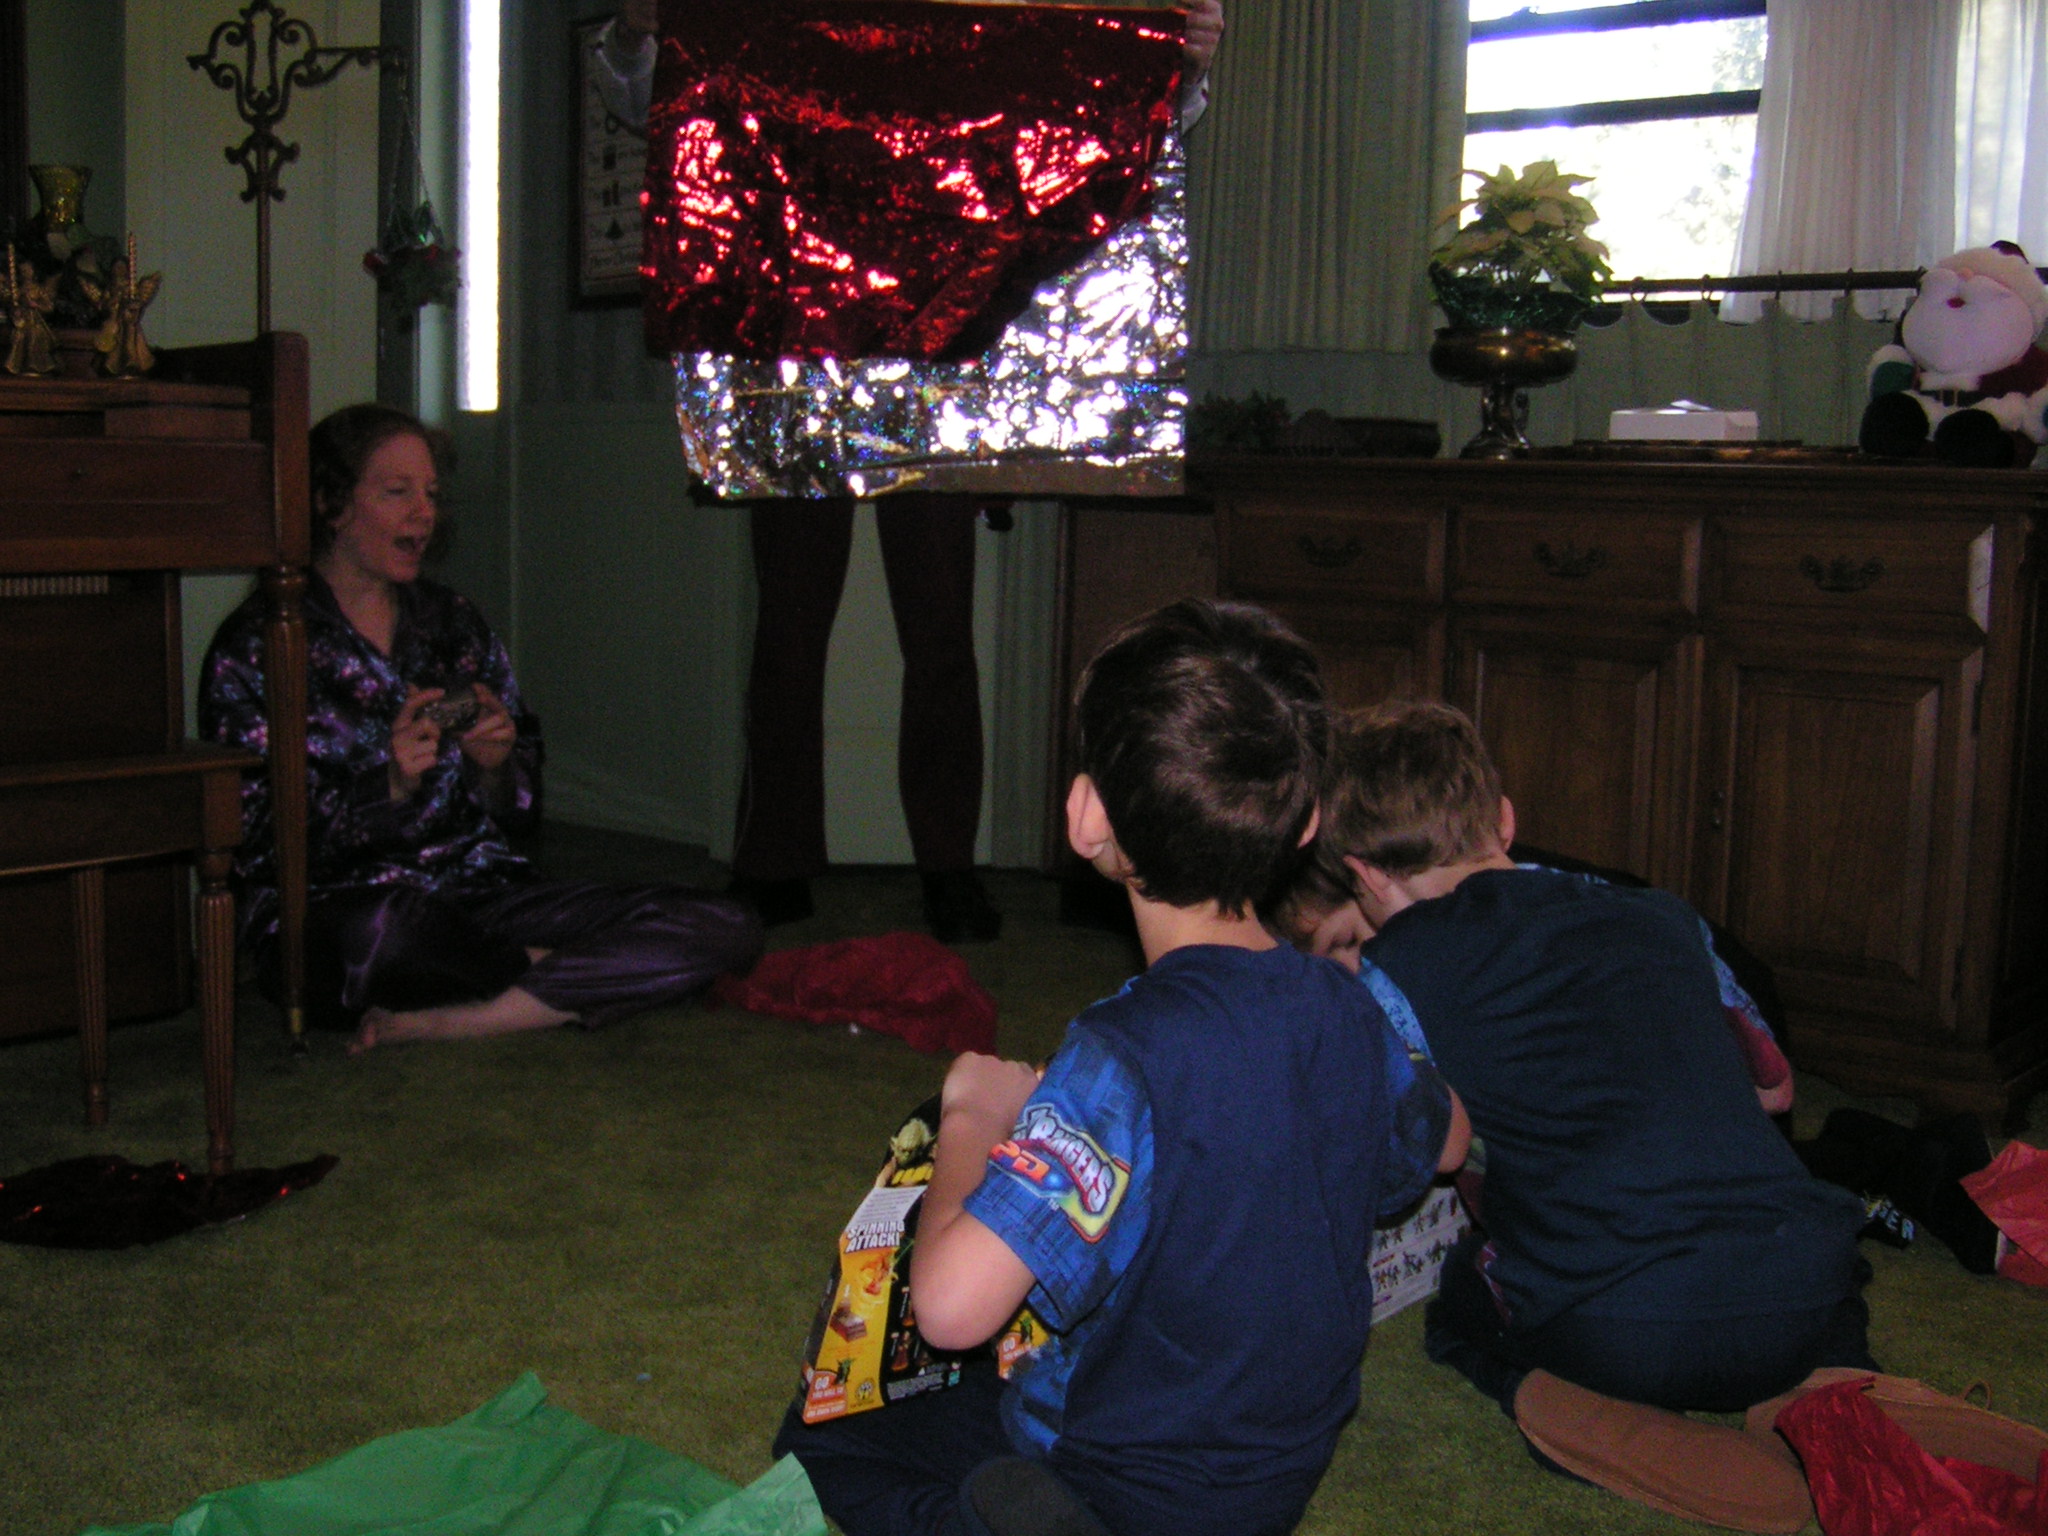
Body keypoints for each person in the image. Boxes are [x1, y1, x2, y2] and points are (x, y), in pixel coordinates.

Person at [770, 600, 1471, 1536]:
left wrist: (975, 1119)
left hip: (1113, 1478)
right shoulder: (1350, 1009)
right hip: (1272, 1481)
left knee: (827, 1441)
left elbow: (948, 1311)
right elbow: (1448, 1142)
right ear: (1308, 821)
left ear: (1087, 815)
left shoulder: (1119, 1060)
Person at [593, 0, 1226, 942]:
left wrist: (1175, 62)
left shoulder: (965, 15)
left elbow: (1072, 100)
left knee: (938, 630)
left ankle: (946, 865)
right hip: (799, 350)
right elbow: (663, 94)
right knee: (790, 626)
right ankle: (772, 857)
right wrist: (640, 34)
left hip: (940, 350)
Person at [1302, 700, 1877, 1527]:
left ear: (1363, 874)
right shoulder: (1665, 915)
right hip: (1802, 1293)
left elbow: (1429, 1144)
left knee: (1463, 1301)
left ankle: (1574, 1414)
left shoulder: (1392, 969)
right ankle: (1841, 1384)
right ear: (1504, 819)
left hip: (1622, 1324)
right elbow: (1775, 1090)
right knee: (1822, 1263)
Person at [199, 403, 762, 1051]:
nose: (424, 513)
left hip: (480, 892)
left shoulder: (452, 621)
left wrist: (496, 766)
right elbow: (249, 844)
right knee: (383, 934)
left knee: (727, 924)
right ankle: (569, 977)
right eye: (397, 492)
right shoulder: (257, 647)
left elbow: (519, 816)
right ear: (330, 505)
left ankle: (467, 1017)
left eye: (432, 494)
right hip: (344, 908)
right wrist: (384, 788)